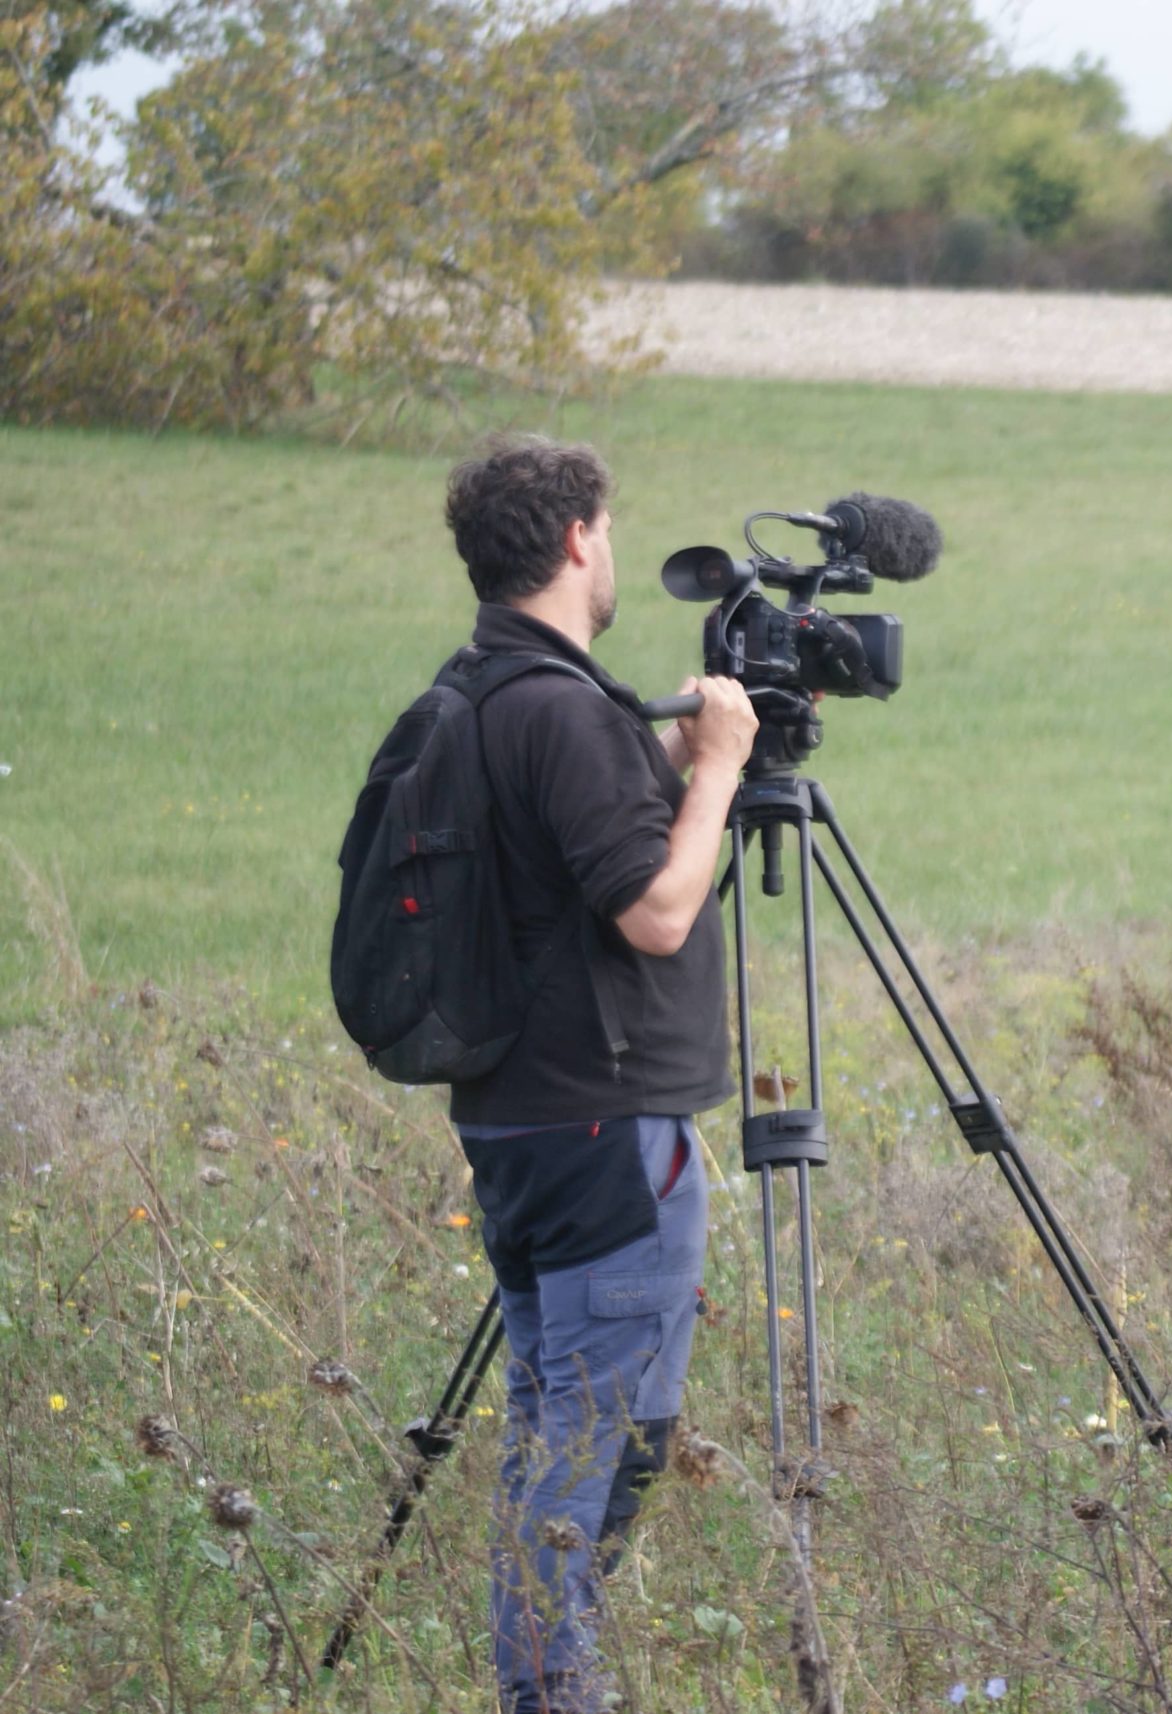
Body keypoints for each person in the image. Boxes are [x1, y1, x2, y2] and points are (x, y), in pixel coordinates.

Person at [441, 434, 757, 1713]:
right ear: (578, 537)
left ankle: (551, 1673)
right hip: (602, 1130)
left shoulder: (478, 692)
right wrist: (725, 767)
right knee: (586, 1453)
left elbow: (570, 876)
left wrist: (676, 780)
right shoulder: (565, 708)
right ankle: (550, 1693)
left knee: (564, 1432)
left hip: (522, 1122)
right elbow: (654, 916)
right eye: (608, 528)